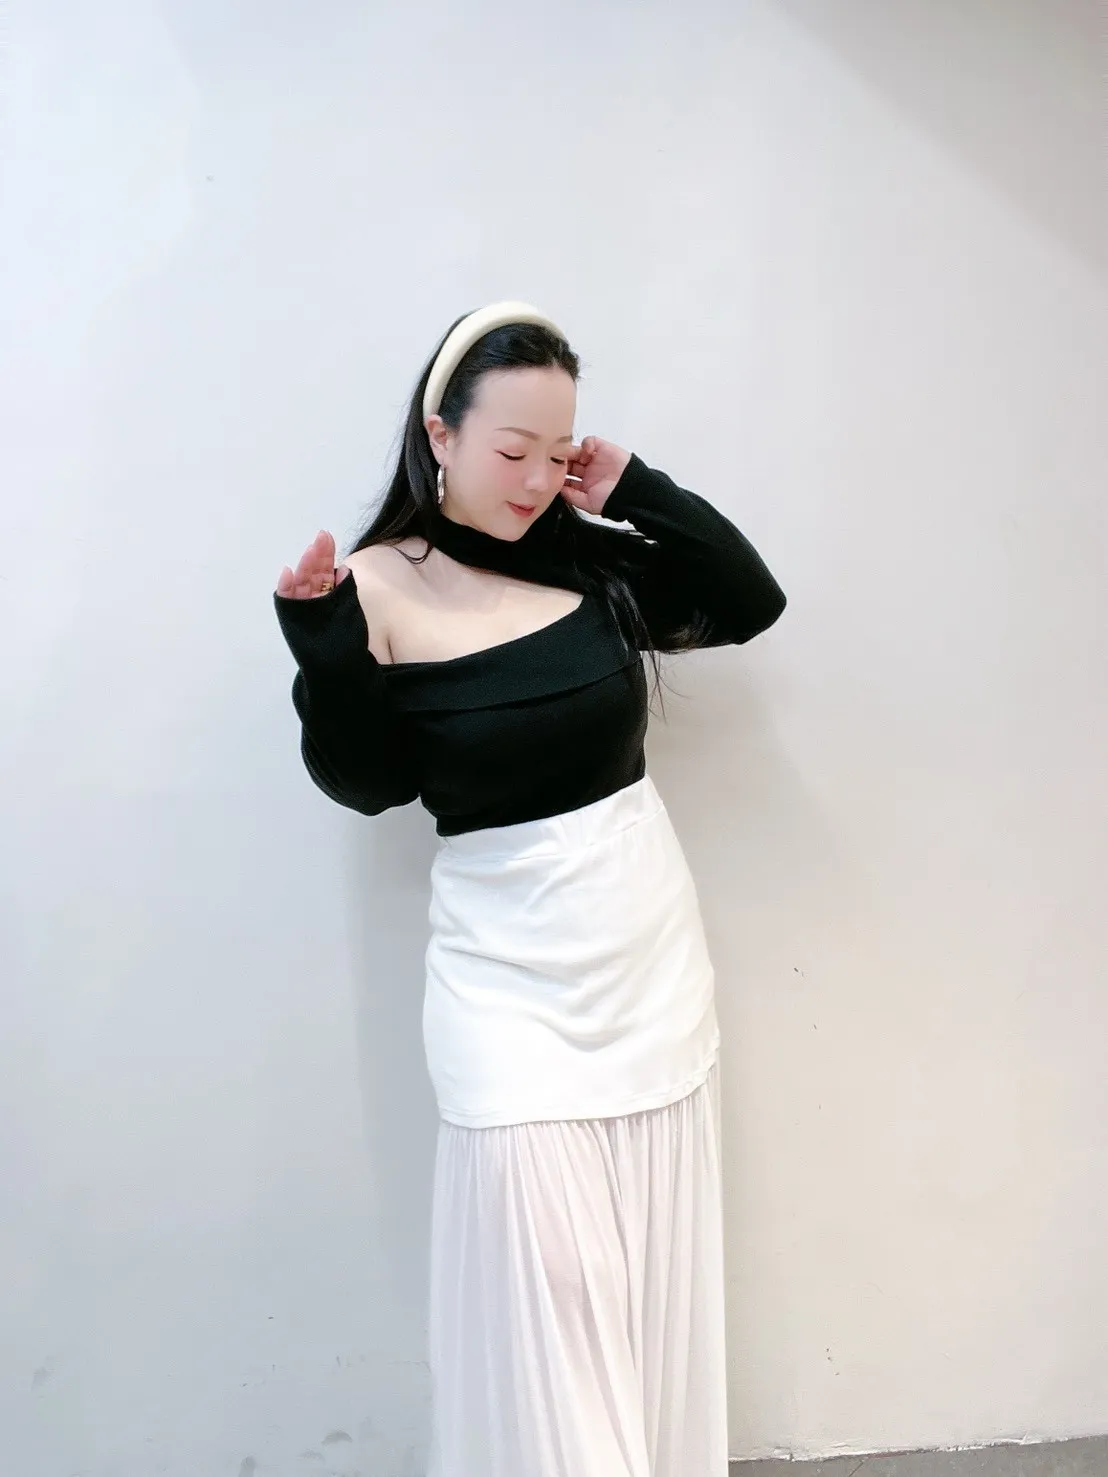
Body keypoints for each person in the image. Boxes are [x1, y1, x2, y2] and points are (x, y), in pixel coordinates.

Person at [273, 301, 786, 1477]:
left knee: (641, 1284)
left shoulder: (582, 554)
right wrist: (322, 645)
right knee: (549, 1289)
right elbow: (368, 785)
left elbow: (747, 602)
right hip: (504, 982)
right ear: (439, 435)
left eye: (557, 453)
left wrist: (631, 486)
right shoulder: (373, 587)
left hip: (645, 954)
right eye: (513, 450)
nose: (536, 479)